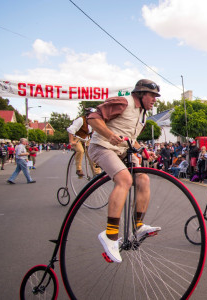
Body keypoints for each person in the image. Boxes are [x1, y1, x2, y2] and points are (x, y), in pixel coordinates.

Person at [86, 79, 161, 263]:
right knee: (125, 180)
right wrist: (109, 135)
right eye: (152, 95)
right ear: (141, 94)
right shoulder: (123, 102)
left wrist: (142, 149)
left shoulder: (142, 114)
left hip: (122, 151)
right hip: (102, 147)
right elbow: (92, 118)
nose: (154, 100)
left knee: (143, 179)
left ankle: (138, 225)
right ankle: (110, 235)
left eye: (156, 96)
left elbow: (130, 137)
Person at [67, 109, 101, 176]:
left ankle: (97, 173)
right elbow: (71, 129)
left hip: (87, 139)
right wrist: (71, 141)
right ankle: (78, 169)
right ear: (88, 115)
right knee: (80, 151)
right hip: (77, 137)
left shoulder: (93, 122)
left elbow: (94, 132)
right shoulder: (81, 120)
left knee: (92, 153)